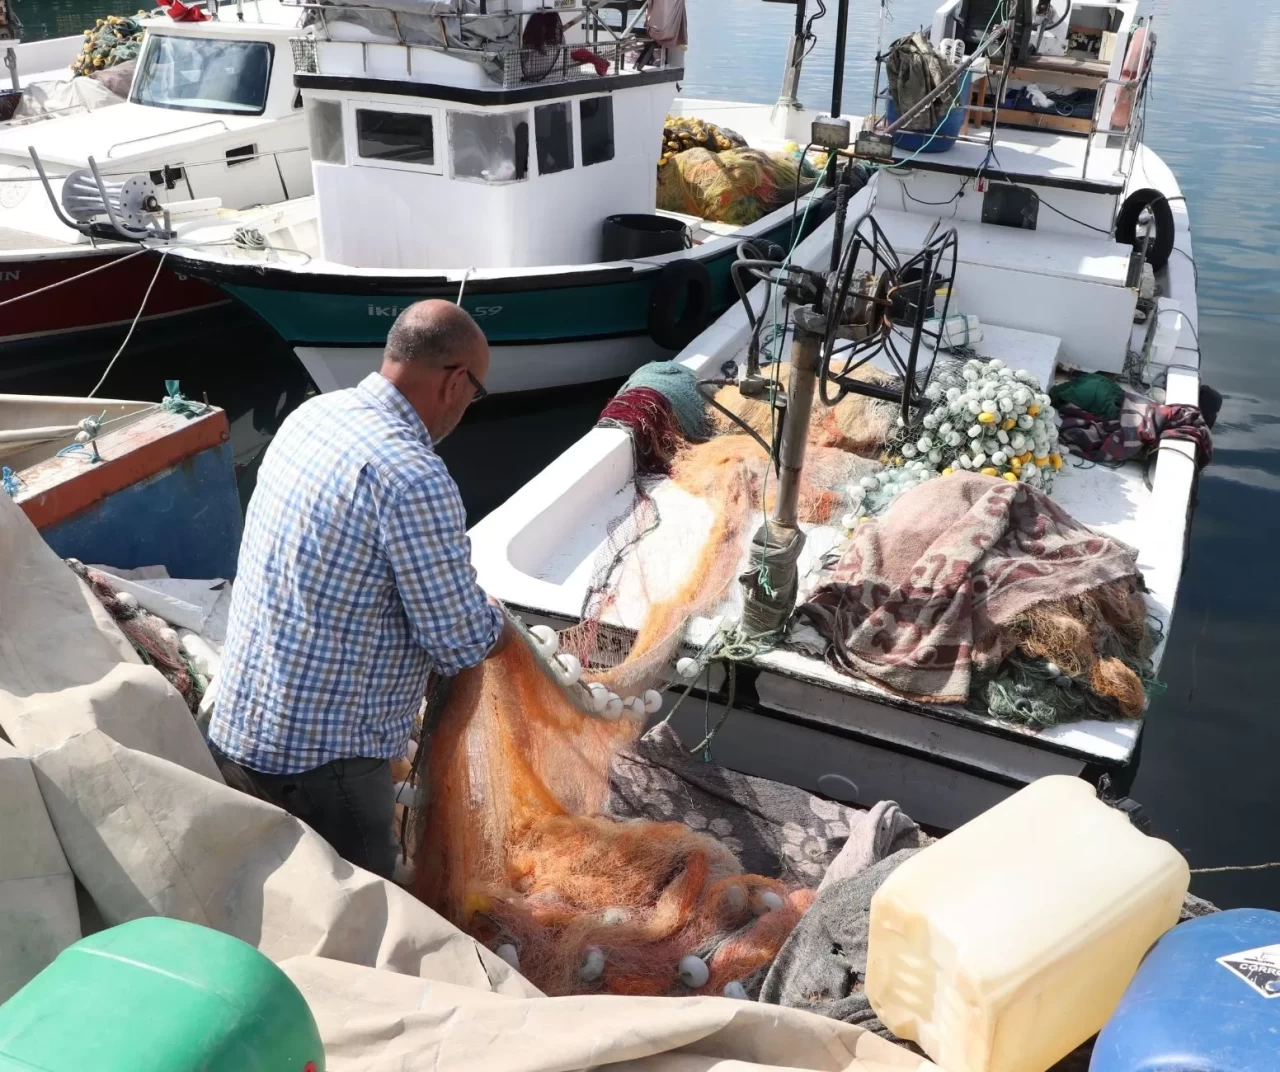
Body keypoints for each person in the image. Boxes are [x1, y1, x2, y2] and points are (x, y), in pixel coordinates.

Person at [207, 300, 510, 879]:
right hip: (325, 769)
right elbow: (459, 643)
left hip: (238, 728)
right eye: (476, 393)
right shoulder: (413, 475)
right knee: (364, 927)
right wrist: (497, 623)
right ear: (453, 382)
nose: (468, 407)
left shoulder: (312, 415)